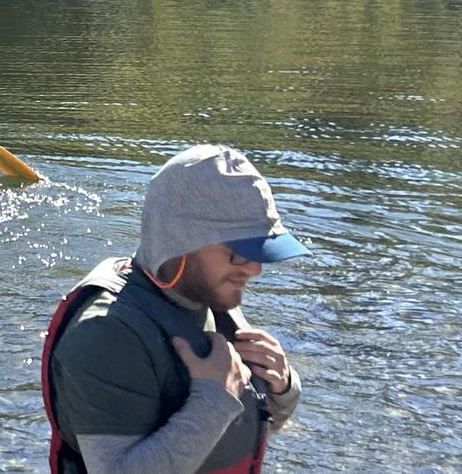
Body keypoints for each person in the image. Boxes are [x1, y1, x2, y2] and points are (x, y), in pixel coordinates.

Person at [43, 145, 308, 474]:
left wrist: (281, 387)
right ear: (180, 242)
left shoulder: (204, 300)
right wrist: (214, 399)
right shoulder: (106, 335)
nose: (254, 269)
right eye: (239, 252)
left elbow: (243, 428)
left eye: (260, 252)